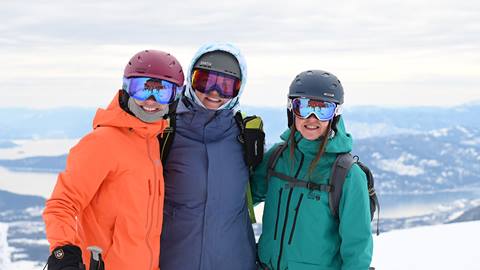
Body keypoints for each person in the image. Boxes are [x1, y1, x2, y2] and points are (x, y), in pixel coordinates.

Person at [42, 49, 184, 270]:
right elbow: (62, 204)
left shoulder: (155, 142)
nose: (151, 101)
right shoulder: (102, 142)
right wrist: (64, 252)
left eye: (162, 92)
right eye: (142, 89)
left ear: (174, 98)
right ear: (127, 89)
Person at [251, 70, 373, 269]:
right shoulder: (277, 157)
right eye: (304, 107)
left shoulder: (347, 174)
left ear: (335, 115)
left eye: (322, 109)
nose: (312, 118)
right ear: (291, 110)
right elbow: (242, 200)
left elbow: (358, 248)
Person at [159, 42, 257, 270]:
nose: (214, 93)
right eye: (204, 81)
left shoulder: (246, 137)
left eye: (226, 86)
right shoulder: (165, 131)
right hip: (173, 261)